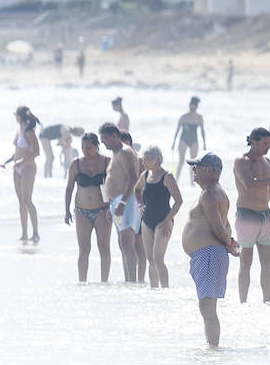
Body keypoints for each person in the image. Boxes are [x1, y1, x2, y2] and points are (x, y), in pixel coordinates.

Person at [182, 153, 239, 348]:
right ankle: (212, 348)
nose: (194, 170)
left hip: (209, 253)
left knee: (207, 307)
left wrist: (229, 243)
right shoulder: (214, 192)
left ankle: (213, 350)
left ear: (212, 170)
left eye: (198, 166)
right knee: (207, 306)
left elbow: (218, 226)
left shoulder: (210, 193)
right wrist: (229, 241)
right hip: (208, 254)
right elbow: (225, 225)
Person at [233, 128, 270, 303]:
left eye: (269, 144)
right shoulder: (242, 161)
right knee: (245, 263)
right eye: (264, 143)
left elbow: (268, 187)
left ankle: (267, 301)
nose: (267, 147)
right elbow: (249, 184)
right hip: (247, 215)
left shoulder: (266, 161)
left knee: (267, 263)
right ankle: (243, 302)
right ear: (253, 142)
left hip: (266, 215)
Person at [64, 132, 111, 282]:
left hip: (102, 211)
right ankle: (82, 282)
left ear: (97, 146)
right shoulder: (76, 164)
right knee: (84, 249)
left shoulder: (107, 162)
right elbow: (69, 188)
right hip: (81, 211)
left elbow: (114, 187)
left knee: (104, 247)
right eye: (83, 147)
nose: (85, 150)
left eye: (89, 148)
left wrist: (112, 207)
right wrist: (66, 210)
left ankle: (104, 281)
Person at [100, 122, 143, 282]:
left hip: (127, 201)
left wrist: (122, 203)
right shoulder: (115, 153)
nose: (103, 142)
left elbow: (133, 177)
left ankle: (132, 281)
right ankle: (128, 280)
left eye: (105, 139)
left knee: (127, 242)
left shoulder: (126, 152)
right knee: (122, 243)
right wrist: (109, 206)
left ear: (115, 136)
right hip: (115, 203)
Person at [135, 146, 182, 288]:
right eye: (144, 158)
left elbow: (178, 201)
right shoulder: (145, 175)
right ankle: (154, 290)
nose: (145, 161)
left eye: (148, 158)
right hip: (147, 221)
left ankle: (165, 289)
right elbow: (136, 190)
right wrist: (140, 205)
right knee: (150, 259)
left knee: (158, 258)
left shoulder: (167, 176)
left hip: (164, 221)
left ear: (157, 159)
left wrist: (167, 221)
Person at [3, 106, 40, 242]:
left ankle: (35, 233)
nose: (15, 117)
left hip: (28, 168)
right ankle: (24, 233)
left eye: (16, 115)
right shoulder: (19, 131)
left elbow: (36, 152)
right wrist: (7, 162)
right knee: (21, 202)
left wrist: (22, 162)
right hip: (17, 168)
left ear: (20, 116)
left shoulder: (30, 131)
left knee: (27, 200)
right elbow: (17, 151)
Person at [172, 97, 205, 171]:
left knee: (193, 162)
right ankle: (176, 180)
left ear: (197, 107)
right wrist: (173, 143)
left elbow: (202, 131)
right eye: (192, 105)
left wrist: (204, 144)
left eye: (194, 106)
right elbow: (177, 130)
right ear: (189, 105)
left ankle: (192, 182)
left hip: (194, 140)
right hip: (183, 139)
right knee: (181, 161)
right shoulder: (183, 117)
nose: (193, 107)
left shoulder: (199, 117)